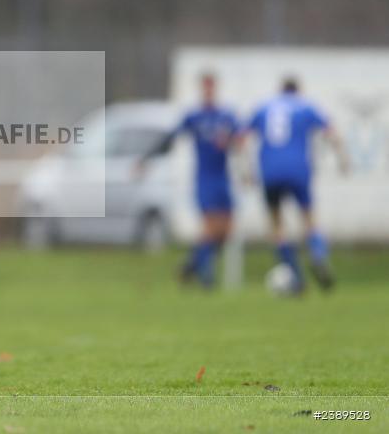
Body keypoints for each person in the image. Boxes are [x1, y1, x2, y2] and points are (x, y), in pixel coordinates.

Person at [243, 77, 347, 293]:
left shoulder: (264, 107)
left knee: (277, 226)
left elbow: (241, 137)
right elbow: (330, 132)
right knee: (309, 221)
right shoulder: (306, 107)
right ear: (298, 91)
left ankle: (297, 277)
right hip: (299, 170)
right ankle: (318, 256)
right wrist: (342, 158)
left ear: (280, 90)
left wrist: (246, 170)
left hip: (270, 172)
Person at [138, 73, 239, 287]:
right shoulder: (194, 117)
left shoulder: (227, 116)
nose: (208, 91)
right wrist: (146, 159)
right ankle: (206, 278)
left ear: (216, 88)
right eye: (205, 87)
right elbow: (171, 139)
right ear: (201, 89)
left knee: (225, 231)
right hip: (205, 179)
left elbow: (241, 140)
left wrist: (231, 142)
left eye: (211, 87)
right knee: (211, 227)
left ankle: (191, 265)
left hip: (223, 178)